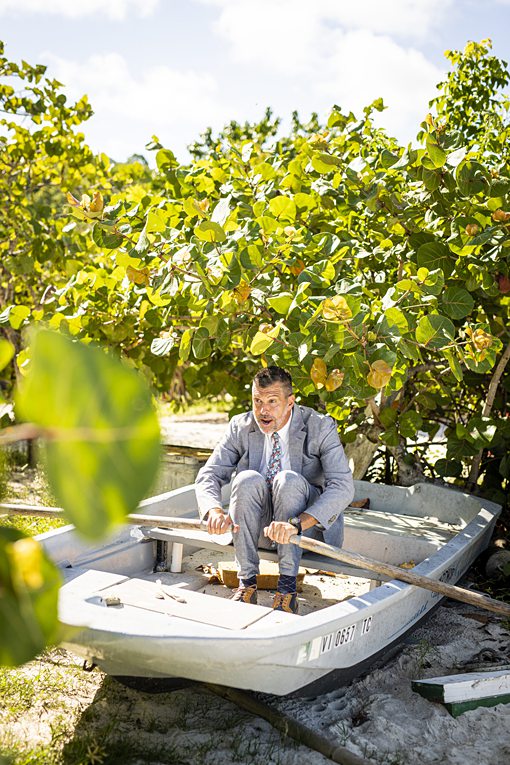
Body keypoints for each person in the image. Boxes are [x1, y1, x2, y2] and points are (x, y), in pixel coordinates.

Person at [194, 366, 354, 614]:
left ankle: (287, 589)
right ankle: (246, 584)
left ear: (290, 402)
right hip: (256, 530)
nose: (263, 410)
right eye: (257, 401)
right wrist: (214, 510)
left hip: (305, 532)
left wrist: (297, 524)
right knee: (246, 479)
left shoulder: (320, 427)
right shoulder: (241, 426)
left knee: (287, 480)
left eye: (271, 401)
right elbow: (209, 474)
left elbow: (343, 488)